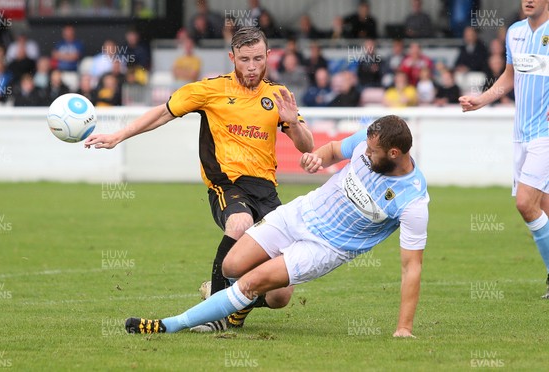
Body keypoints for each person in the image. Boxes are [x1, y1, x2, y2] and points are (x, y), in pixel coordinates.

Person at [85, 27, 314, 329]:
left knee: (281, 295)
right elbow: (162, 113)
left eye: (258, 58)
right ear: (232, 57)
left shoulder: (277, 96)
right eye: (244, 59)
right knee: (240, 223)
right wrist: (118, 136)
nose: (251, 66)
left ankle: (229, 296)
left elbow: (306, 146)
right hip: (227, 184)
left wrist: (292, 123)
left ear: (268, 56)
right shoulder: (210, 90)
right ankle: (216, 314)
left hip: (266, 191)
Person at [123, 115, 429, 337]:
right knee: (231, 266)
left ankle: (170, 324)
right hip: (298, 213)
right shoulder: (370, 139)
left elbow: (411, 267)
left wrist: (404, 328)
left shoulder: (412, 200)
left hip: (324, 248)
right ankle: (236, 306)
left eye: (373, 152)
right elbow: (335, 149)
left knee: (251, 281)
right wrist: (317, 159)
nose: (365, 153)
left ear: (394, 154)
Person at [459, 0, 549, 298]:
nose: (529, 0)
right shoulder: (514, 32)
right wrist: (480, 100)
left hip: (545, 135)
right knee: (544, 207)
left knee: (525, 203)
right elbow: (509, 77)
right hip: (521, 135)